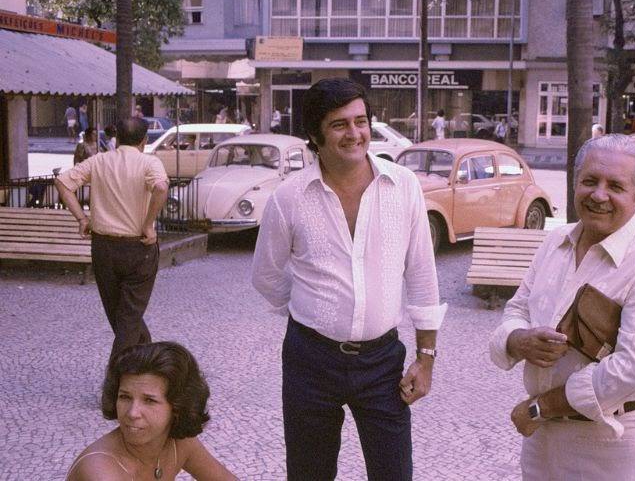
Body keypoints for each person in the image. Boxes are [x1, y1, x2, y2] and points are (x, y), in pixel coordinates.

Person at [252, 78, 446, 481]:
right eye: (339, 124)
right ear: (315, 134)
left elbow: (423, 275)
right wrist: (312, 307)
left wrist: (425, 358)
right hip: (310, 361)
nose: (355, 134)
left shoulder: (403, 186)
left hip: (382, 361)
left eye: (361, 121)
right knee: (309, 473)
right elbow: (266, 275)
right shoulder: (289, 197)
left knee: (394, 474)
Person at [489, 134, 635, 480]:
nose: (599, 195)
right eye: (590, 181)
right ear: (575, 183)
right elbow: (517, 308)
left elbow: (631, 370)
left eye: (616, 186)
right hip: (545, 441)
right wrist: (518, 339)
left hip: (613, 442)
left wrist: (541, 407)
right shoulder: (555, 242)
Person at [55, 117, 169, 363]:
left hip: (104, 248)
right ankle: (117, 384)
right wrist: (148, 224)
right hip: (139, 247)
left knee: (122, 317)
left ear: (116, 138)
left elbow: (63, 182)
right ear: (144, 141)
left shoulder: (99, 161)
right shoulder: (150, 162)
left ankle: (147, 366)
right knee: (128, 318)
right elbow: (161, 187)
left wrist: (81, 219)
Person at [65, 341, 237, 481]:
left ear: (177, 407)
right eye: (125, 397)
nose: (132, 413)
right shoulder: (98, 470)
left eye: (149, 400)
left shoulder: (179, 443)